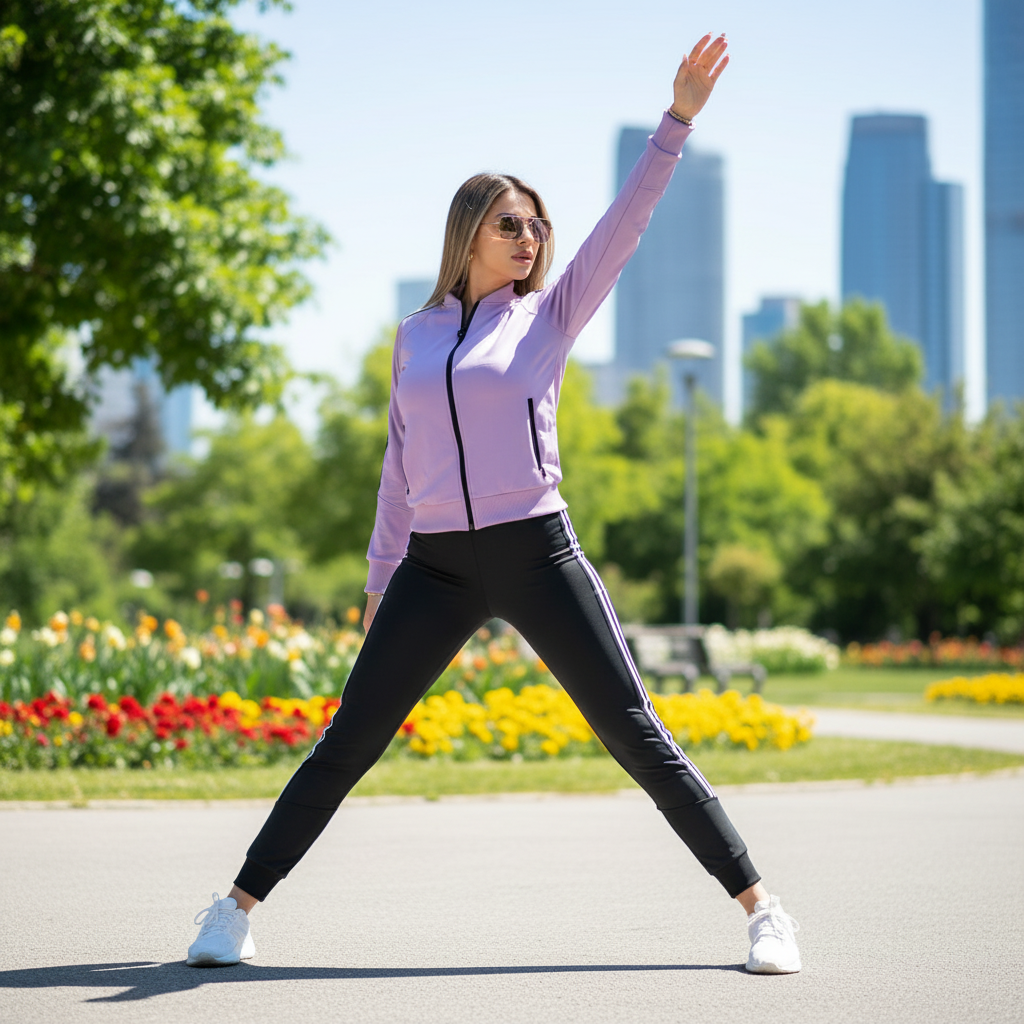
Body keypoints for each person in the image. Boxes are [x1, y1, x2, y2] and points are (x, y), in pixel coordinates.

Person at [186, 32, 801, 975]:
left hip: (536, 551)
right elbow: (397, 464)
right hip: (432, 566)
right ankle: (233, 910)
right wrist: (382, 576)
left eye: (536, 228)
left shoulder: (548, 318)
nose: (531, 239)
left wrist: (675, 120)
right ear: (468, 232)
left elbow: (623, 227)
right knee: (347, 740)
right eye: (512, 225)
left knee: (633, 729)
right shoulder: (415, 337)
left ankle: (762, 909)